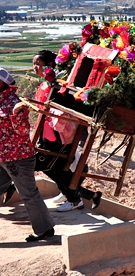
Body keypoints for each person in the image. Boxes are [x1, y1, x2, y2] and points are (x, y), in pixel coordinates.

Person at [31, 50, 101, 212]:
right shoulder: (44, 84)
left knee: (47, 164)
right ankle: (85, 195)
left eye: (38, 64)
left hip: (58, 134)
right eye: (34, 64)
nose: (35, 67)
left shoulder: (58, 86)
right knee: (52, 166)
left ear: (49, 65)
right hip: (45, 132)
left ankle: (75, 198)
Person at [0, 68, 57, 242]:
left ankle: (44, 229)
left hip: (18, 158)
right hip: (3, 158)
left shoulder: (15, 103)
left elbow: (23, 131)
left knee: (29, 194)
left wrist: (17, 115)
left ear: (3, 83)